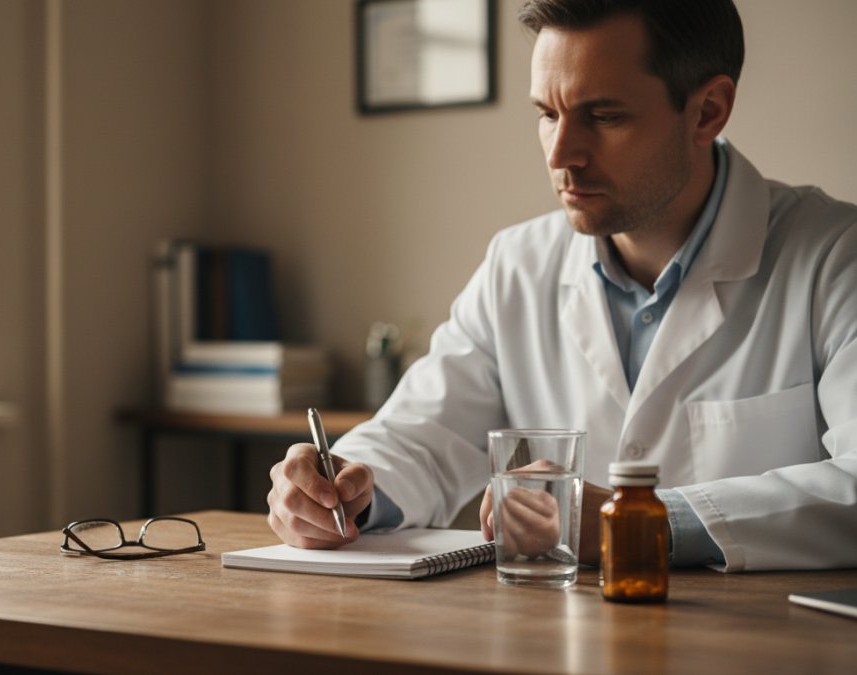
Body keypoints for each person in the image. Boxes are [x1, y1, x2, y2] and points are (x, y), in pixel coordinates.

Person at [266, 0, 857, 572]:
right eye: (548, 114)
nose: (562, 153)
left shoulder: (835, 257)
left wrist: (635, 521)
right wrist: (344, 490)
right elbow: (422, 435)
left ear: (707, 111)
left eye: (603, 117)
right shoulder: (518, 264)